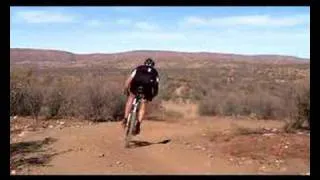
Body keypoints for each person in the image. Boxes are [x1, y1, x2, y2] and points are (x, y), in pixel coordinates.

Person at [122, 58, 159, 135]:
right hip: (147, 89)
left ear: (144, 63)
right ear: (153, 65)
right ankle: (138, 124)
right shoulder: (155, 72)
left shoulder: (138, 68)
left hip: (136, 86)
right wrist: (153, 95)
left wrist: (125, 89)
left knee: (131, 98)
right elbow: (156, 86)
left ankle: (125, 119)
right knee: (143, 105)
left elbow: (129, 80)